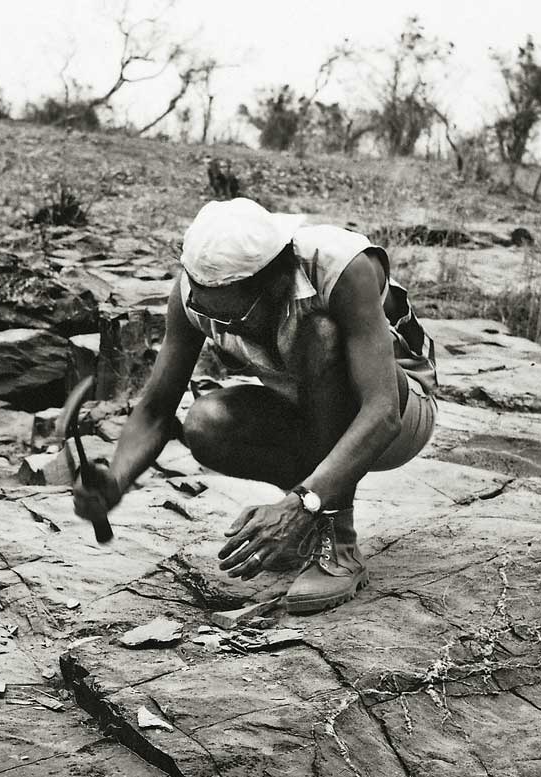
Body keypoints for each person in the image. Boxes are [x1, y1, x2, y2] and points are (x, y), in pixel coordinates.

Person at [73, 198, 438, 614]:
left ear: (276, 278)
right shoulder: (196, 294)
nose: (229, 329)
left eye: (239, 315)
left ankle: (339, 544)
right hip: (307, 406)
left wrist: (301, 504)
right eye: (216, 319)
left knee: (320, 335)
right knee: (206, 423)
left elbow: (382, 413)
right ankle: (308, 524)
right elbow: (157, 409)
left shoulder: (342, 267)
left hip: (401, 412)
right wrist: (117, 480)